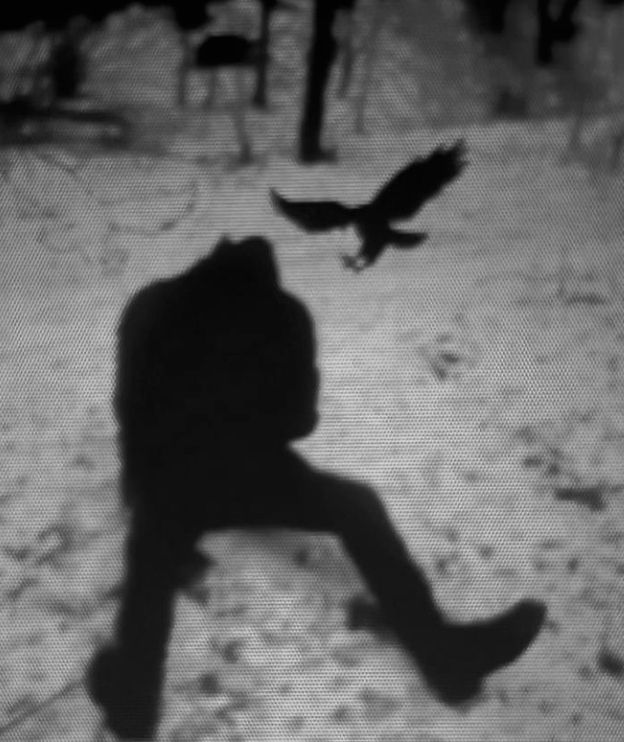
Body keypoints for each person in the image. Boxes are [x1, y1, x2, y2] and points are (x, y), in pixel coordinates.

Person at [87, 235, 546, 739]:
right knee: (357, 507)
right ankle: (445, 661)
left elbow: (130, 407)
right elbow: (299, 421)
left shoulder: (152, 305)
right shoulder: (284, 316)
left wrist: (141, 485)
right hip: (255, 474)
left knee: (150, 556)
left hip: (170, 478)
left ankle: (133, 701)